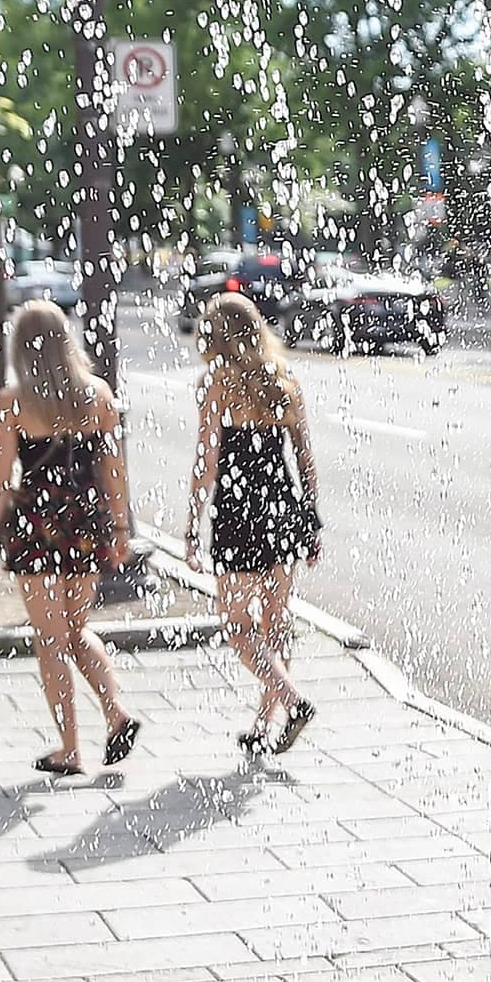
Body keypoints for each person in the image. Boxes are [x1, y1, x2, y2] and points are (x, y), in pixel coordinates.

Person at [0, 300, 141, 776]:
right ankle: (116, 713)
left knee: (50, 639)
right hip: (87, 523)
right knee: (75, 628)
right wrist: (121, 525)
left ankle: (70, 748)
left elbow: (0, 480)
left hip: (37, 526)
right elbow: (112, 469)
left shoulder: (13, 403)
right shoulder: (98, 395)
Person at [184, 292, 322, 755]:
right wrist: (312, 522)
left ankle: (291, 699)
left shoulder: (217, 381)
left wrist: (191, 525)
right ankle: (265, 726)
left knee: (239, 626)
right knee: (276, 622)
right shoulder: (284, 377)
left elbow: (207, 459)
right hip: (283, 508)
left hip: (238, 511)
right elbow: (303, 457)